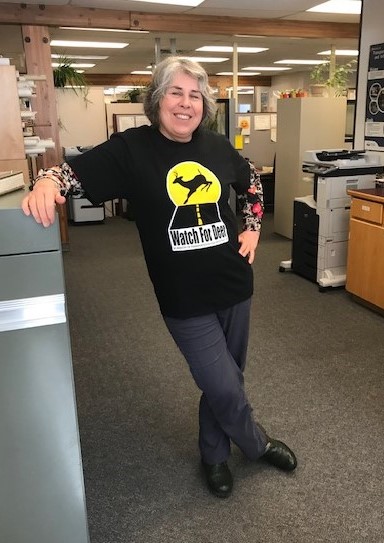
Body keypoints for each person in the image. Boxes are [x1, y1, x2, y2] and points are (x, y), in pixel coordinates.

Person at [22, 56, 297, 499]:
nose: (186, 104)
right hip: (183, 298)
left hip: (234, 284)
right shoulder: (132, 149)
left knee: (226, 379)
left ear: (203, 105)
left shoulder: (217, 147)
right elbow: (70, 173)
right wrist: (46, 181)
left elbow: (252, 183)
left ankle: (213, 455)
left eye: (195, 95)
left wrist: (252, 226)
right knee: (222, 382)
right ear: (158, 99)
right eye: (176, 92)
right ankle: (256, 443)